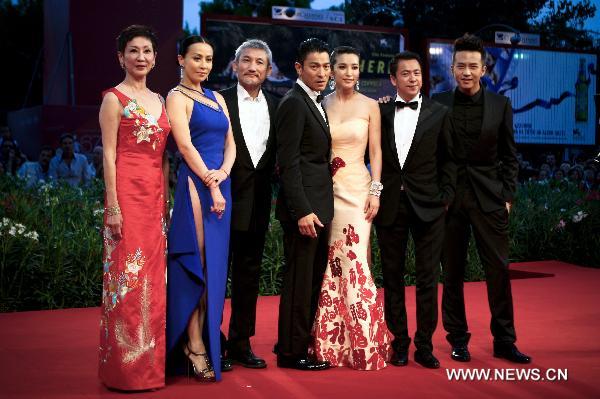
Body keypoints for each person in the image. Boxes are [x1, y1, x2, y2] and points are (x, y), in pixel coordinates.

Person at [432, 34, 531, 364]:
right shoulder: (439, 103)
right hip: (450, 201)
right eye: (461, 66)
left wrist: (507, 196)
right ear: (452, 68)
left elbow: (510, 155)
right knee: (453, 274)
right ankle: (458, 339)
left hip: (489, 198)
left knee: (499, 271)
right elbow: (432, 153)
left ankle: (505, 340)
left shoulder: (500, 105)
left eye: (473, 66)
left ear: (484, 69)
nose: (467, 72)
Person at [98, 24, 171, 391]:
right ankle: (124, 372)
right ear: (121, 57)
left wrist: (167, 201)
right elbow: (109, 155)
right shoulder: (114, 98)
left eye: (147, 51)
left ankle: (150, 369)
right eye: (133, 51)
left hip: (155, 202)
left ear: (155, 58)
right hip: (126, 198)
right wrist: (112, 205)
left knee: (153, 285)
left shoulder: (160, 99)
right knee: (126, 283)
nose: (140, 57)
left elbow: (163, 158)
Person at [311, 46, 391, 370]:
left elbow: (377, 153)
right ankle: (332, 343)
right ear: (331, 70)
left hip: (358, 192)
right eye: (342, 66)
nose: (349, 72)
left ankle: (365, 341)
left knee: (356, 259)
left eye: (354, 67)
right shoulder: (320, 104)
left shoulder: (371, 106)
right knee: (333, 263)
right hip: (327, 192)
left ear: (360, 71)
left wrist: (376, 191)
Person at [375, 51, 456, 369]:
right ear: (393, 79)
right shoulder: (379, 112)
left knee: (426, 278)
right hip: (390, 205)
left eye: (417, 73)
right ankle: (399, 343)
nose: (413, 78)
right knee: (392, 277)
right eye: (405, 74)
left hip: (430, 206)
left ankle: (424, 345)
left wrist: (446, 195)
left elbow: (449, 159)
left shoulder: (440, 112)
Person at [166, 35, 236, 383]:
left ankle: (206, 339)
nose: (204, 65)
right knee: (197, 262)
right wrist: (211, 182)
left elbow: (231, 144)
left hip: (221, 182)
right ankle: (193, 344)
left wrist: (223, 174)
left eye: (209, 59)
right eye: (197, 58)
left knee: (214, 268)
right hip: (196, 184)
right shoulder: (176, 97)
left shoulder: (218, 97)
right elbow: (183, 144)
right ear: (181, 59)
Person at [219, 39, 279, 369]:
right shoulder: (218, 101)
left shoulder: (279, 104)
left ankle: (241, 343)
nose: (252, 66)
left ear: (269, 70)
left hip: (258, 206)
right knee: (215, 277)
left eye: (259, 62)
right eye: (246, 60)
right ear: (234, 65)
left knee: (249, 278)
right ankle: (210, 343)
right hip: (221, 204)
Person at [275, 38, 333, 371]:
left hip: (317, 208)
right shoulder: (295, 102)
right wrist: (302, 211)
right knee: (299, 283)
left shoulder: (314, 101)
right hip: (305, 212)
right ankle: (291, 353)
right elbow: (289, 163)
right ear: (299, 68)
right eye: (315, 66)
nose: (322, 72)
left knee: (308, 282)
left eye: (326, 66)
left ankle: (294, 345)